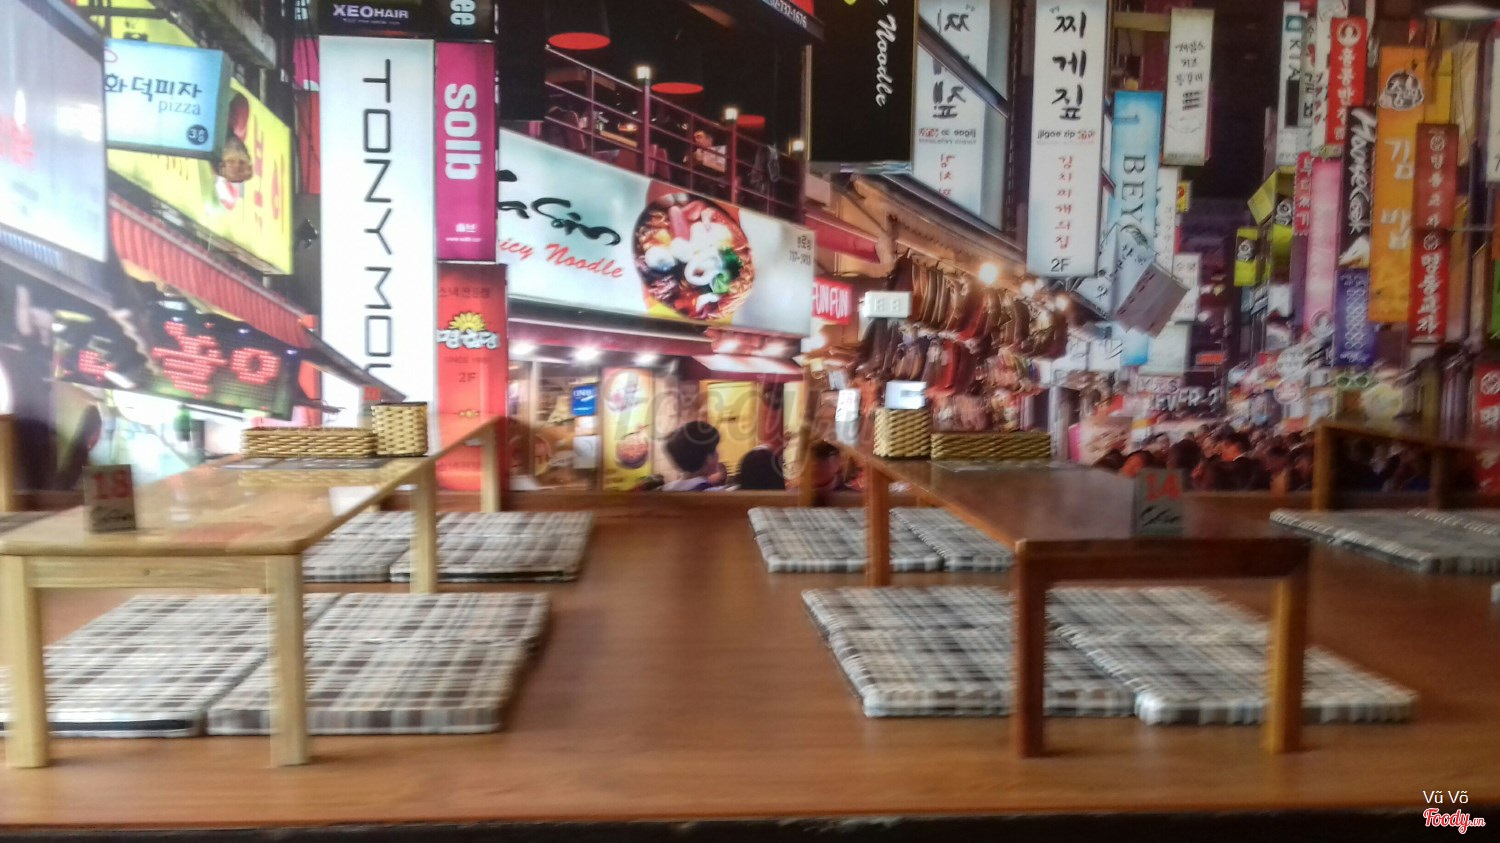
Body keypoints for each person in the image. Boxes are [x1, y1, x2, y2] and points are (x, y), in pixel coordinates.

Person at [662, 421, 725, 491]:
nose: (719, 453)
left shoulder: (663, 490)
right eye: (715, 449)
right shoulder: (716, 494)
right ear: (709, 458)